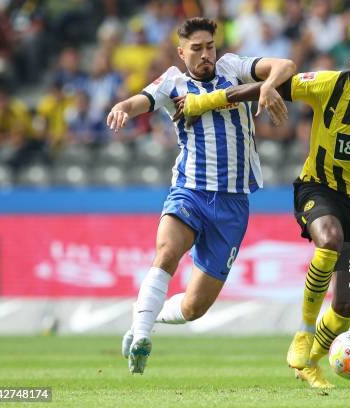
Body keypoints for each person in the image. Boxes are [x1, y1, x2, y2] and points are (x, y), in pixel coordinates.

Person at [175, 34, 350, 388]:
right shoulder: (326, 84)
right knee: (329, 240)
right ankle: (304, 333)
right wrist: (204, 102)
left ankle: (308, 361)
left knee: (343, 313)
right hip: (318, 187)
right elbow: (261, 88)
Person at [106, 17, 295, 375]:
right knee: (166, 252)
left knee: (195, 308)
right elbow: (140, 101)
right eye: (197, 48)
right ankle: (142, 337)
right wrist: (121, 108)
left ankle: (145, 317)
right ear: (182, 53)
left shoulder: (233, 68)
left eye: (210, 46)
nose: (206, 54)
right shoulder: (172, 83)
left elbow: (285, 65)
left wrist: (268, 85)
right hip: (190, 189)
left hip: (233, 203)